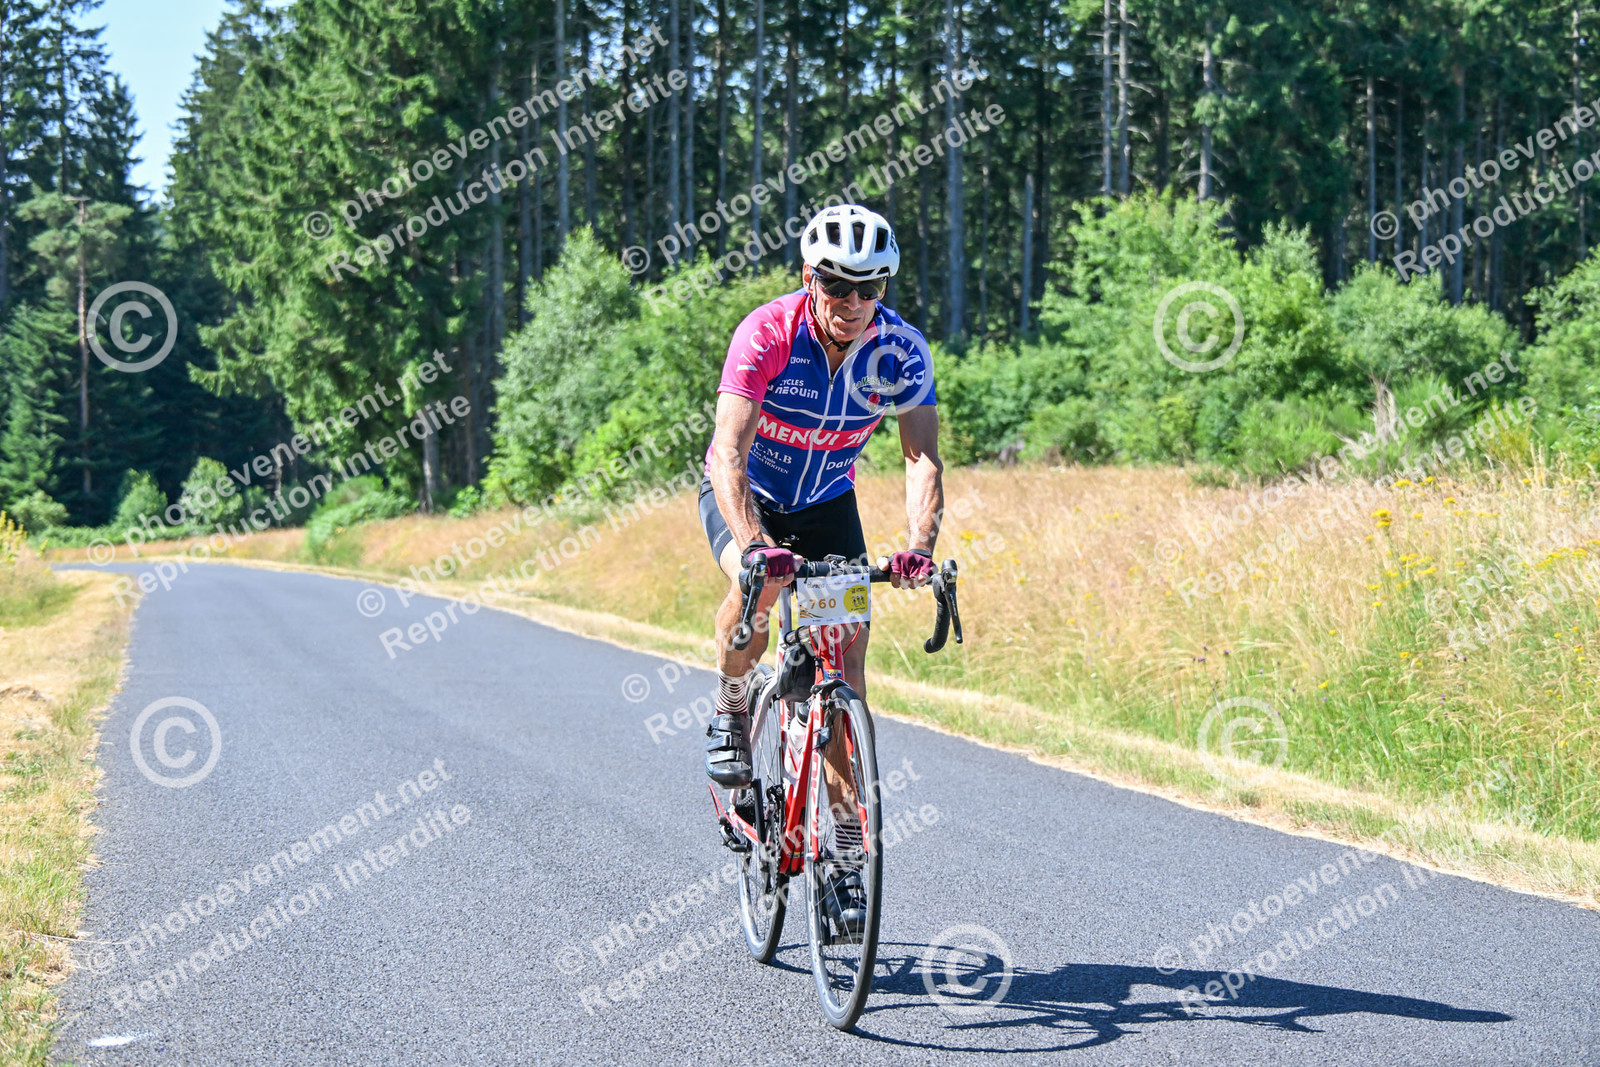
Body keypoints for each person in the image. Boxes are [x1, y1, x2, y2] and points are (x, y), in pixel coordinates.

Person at [697, 204, 944, 921]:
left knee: (842, 666)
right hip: (749, 495)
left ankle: (843, 854)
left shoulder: (900, 351)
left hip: (827, 503)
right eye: (838, 284)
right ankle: (731, 709)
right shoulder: (767, 332)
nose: (853, 302)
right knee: (758, 591)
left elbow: (921, 457)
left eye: (871, 288)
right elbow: (728, 453)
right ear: (810, 278)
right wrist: (754, 544)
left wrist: (918, 547)